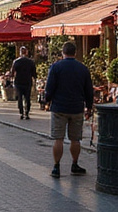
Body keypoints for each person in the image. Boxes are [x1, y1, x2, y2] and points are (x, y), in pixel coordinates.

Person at [43, 41, 94, 178]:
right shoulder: (83, 69)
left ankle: (56, 167)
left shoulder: (56, 67)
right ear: (75, 53)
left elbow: (49, 88)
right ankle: (75, 164)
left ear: (63, 52)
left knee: (58, 139)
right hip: (77, 108)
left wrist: (47, 101)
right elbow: (89, 90)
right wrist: (89, 107)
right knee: (75, 139)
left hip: (59, 108)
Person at [9, 45, 38, 120]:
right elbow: (34, 73)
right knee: (27, 97)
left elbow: (12, 72)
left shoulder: (16, 61)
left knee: (20, 97)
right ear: (26, 52)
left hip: (18, 81)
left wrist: (11, 78)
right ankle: (27, 112)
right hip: (27, 82)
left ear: (20, 52)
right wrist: (35, 80)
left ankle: (21, 112)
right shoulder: (30, 62)